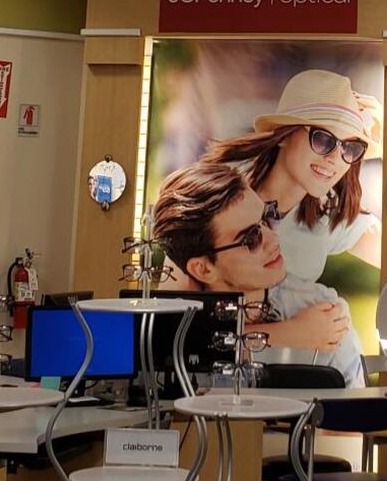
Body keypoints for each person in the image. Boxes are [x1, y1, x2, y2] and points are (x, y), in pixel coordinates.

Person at [150, 158, 361, 382]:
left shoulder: (323, 312)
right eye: (251, 238)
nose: (273, 239)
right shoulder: (170, 329)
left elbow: (358, 402)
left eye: (266, 218)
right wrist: (287, 333)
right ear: (203, 269)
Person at [206, 69, 381, 287]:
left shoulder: (327, 215)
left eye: (351, 147)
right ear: (284, 135)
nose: (335, 159)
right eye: (323, 139)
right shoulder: (221, 196)